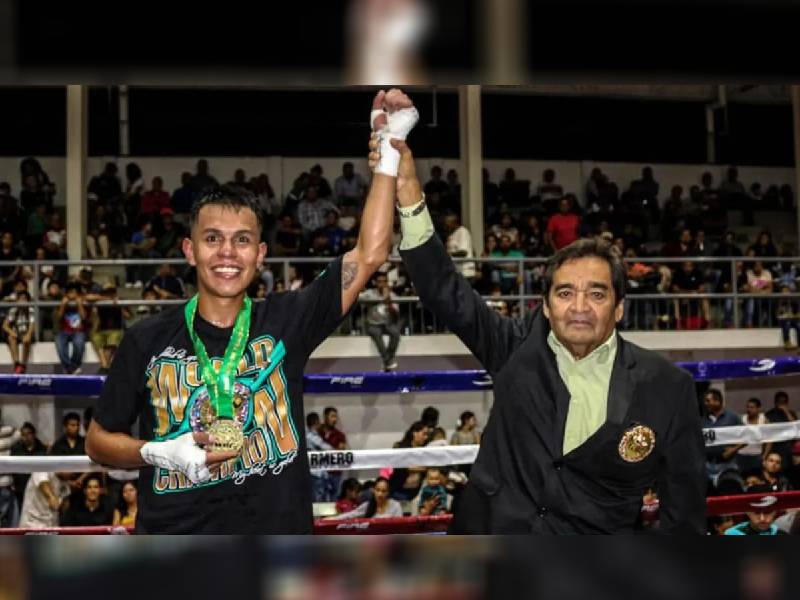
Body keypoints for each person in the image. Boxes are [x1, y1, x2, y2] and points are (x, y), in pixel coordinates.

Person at [85, 89, 419, 533]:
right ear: (189, 250)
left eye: (242, 240)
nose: (228, 253)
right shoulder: (147, 337)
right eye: (213, 239)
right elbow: (97, 441)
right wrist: (156, 452)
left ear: (261, 254)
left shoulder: (286, 320)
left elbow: (370, 254)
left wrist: (388, 155)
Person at [371, 137, 706, 534]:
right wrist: (408, 188)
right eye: (565, 293)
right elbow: (444, 290)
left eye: (596, 293)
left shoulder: (667, 387)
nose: (579, 306)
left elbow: (683, 511)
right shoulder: (515, 346)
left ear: (619, 307)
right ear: (546, 305)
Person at [359, 272, 401, 371]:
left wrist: (389, 303)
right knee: (376, 335)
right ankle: (387, 362)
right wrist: (380, 298)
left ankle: (388, 361)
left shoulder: (392, 294)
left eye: (384, 281)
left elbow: (396, 312)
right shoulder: (370, 293)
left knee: (396, 334)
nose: (382, 284)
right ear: (375, 283)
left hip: (388, 323)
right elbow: (359, 297)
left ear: (387, 282)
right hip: (373, 324)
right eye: (379, 281)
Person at [9, 422, 46, 511]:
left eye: (29, 434)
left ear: (34, 434)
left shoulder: (42, 449)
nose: (26, 437)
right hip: (20, 489)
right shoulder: (16, 449)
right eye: (23, 435)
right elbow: (12, 467)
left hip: (37, 489)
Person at [388, 421, 429, 501]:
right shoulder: (402, 447)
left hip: (414, 493)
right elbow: (402, 467)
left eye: (427, 435)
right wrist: (423, 468)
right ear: (414, 433)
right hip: (398, 490)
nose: (426, 437)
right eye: (424, 434)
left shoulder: (424, 450)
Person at [724, 486, 788, 536]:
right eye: (756, 512)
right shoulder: (732, 534)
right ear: (747, 512)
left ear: (775, 511)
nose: (762, 519)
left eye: (767, 512)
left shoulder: (781, 534)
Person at [330, 477, 403, 520]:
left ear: (388, 492)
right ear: (373, 490)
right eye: (377, 490)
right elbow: (351, 514)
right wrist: (333, 519)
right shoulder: (368, 506)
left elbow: (400, 526)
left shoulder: (395, 506)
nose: (380, 494)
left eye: (383, 491)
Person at [54, 282, 87, 374]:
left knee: (79, 344)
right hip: (64, 331)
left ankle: (73, 367)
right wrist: (63, 305)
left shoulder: (82, 302)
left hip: (78, 331)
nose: (72, 295)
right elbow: (59, 317)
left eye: (74, 292)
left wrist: (79, 304)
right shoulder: (62, 302)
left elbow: (84, 317)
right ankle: (71, 368)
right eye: (70, 292)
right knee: (59, 345)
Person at [3, 290, 35, 374]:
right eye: (20, 299)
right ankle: (17, 364)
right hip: (16, 333)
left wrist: (28, 334)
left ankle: (23, 364)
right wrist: (11, 332)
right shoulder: (14, 310)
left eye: (24, 299)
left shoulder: (31, 310)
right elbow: (5, 325)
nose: (22, 301)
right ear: (17, 300)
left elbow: (32, 325)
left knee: (27, 340)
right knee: (11, 337)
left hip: (26, 332)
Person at [305, 412, 334, 502]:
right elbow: (326, 448)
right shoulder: (310, 436)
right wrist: (335, 450)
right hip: (316, 473)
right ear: (316, 422)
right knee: (318, 498)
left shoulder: (314, 435)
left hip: (319, 472)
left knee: (321, 497)